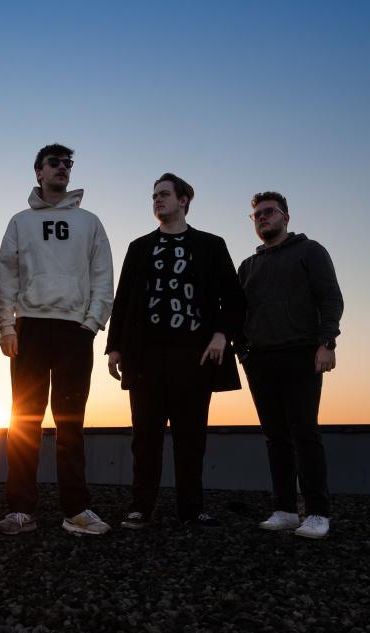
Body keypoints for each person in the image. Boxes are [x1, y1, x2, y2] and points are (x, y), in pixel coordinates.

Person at [106, 173, 245, 529]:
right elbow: (123, 300)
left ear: (183, 200)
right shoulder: (139, 247)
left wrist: (221, 335)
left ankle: (192, 509)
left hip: (194, 355)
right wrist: (115, 347)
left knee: (191, 436)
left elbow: (233, 297)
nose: (157, 199)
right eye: (154, 195)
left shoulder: (211, 245)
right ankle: (141, 507)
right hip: (146, 357)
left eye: (164, 194)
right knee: (144, 436)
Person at [0, 143, 114, 535]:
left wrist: (92, 323)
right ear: (39, 172)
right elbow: (7, 275)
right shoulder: (20, 222)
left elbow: (102, 275)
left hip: (74, 330)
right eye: (54, 162)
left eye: (68, 163)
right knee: (23, 423)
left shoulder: (89, 222)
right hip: (29, 328)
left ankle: (76, 510)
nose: (63, 167)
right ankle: (20, 510)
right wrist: (6, 327)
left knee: (70, 424)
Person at [238, 191, 343, 539]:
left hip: (301, 353)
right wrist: (243, 351)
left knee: (304, 432)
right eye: (257, 215)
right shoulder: (248, 266)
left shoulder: (310, 251)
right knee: (275, 437)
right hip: (260, 359)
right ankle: (284, 509)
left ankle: (317, 512)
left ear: (285, 217)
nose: (263, 218)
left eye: (269, 212)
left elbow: (331, 297)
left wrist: (327, 342)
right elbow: (238, 312)